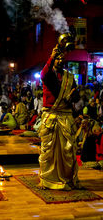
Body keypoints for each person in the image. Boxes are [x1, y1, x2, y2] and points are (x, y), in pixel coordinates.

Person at [39, 36, 79, 190]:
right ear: (54, 60)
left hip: (66, 117)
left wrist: (73, 96)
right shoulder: (48, 76)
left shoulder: (69, 77)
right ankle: (48, 180)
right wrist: (51, 56)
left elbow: (75, 94)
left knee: (68, 150)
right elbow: (43, 74)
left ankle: (67, 179)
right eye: (58, 59)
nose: (61, 61)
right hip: (52, 116)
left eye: (62, 58)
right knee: (48, 150)